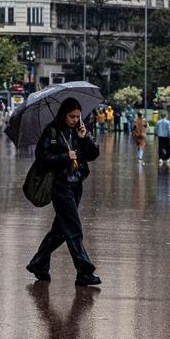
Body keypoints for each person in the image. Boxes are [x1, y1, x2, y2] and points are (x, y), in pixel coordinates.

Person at [26, 98, 102, 286]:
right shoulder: (52, 131)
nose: (75, 120)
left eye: (78, 116)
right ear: (63, 115)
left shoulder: (78, 131)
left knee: (61, 230)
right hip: (60, 187)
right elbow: (42, 157)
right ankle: (84, 271)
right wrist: (64, 156)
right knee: (73, 229)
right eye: (71, 116)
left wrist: (85, 139)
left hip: (77, 184)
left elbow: (93, 154)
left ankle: (39, 263)